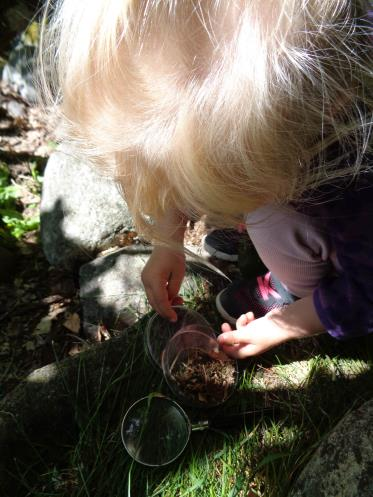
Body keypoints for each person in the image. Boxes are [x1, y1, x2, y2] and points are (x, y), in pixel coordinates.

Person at [40, 0, 373, 358]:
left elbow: (368, 292)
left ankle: (301, 288)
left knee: (271, 219)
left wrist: (281, 325)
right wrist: (168, 240)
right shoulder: (290, 106)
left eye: (226, 183)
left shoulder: (356, 178)